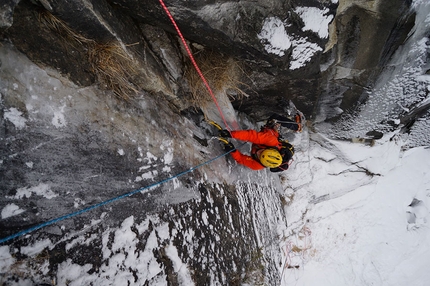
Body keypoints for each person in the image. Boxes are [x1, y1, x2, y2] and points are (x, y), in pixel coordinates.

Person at [218, 113, 301, 172]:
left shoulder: (257, 165)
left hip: (269, 140)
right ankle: (296, 126)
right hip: (271, 133)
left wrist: (233, 151)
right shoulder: (271, 141)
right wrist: (231, 134)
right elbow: (251, 136)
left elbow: (241, 159)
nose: (258, 152)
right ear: (268, 149)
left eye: (260, 156)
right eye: (262, 152)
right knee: (274, 118)